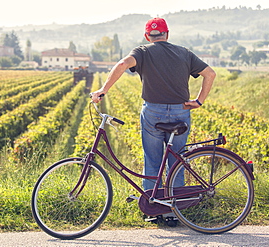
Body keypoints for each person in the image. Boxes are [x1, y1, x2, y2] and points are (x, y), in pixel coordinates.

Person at [91, 17, 215, 224]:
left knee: (153, 159)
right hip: (181, 112)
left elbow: (122, 64)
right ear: (167, 34)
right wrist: (199, 101)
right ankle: (175, 211)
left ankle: (153, 208)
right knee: (177, 161)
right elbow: (210, 74)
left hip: (153, 113)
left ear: (148, 36)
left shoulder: (143, 51)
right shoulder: (184, 53)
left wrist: (103, 90)